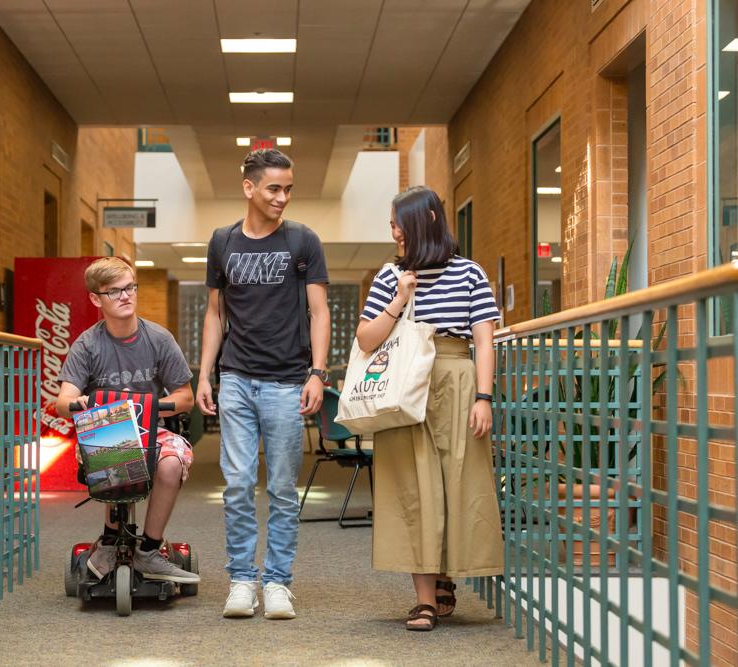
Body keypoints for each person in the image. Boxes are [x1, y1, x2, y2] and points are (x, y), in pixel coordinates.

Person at [355, 186, 504, 631]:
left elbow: (483, 338)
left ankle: (445, 574)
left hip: (457, 379)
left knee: (460, 480)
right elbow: (366, 340)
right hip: (405, 385)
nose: (394, 231)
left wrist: (484, 396)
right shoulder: (390, 276)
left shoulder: (470, 274)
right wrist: (400, 298)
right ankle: (423, 598)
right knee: (412, 488)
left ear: (425, 222)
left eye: (399, 222)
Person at [196, 148, 331, 619]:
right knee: (236, 484)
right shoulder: (222, 241)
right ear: (249, 187)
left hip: (287, 382)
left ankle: (276, 582)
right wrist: (205, 374)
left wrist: (317, 371)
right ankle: (241, 580)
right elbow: (214, 314)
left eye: (289, 189)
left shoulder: (303, 240)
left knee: (280, 489)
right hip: (235, 376)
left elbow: (320, 311)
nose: (283, 197)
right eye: (274, 188)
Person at [55, 257, 200, 585]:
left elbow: (185, 398)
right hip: (104, 433)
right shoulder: (88, 345)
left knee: (172, 461)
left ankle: (149, 549)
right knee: (115, 448)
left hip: (153, 429)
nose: (126, 296)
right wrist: (79, 403)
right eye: (115, 291)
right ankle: (110, 539)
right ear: (96, 299)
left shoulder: (159, 339)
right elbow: (62, 403)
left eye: (130, 287)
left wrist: (142, 409)